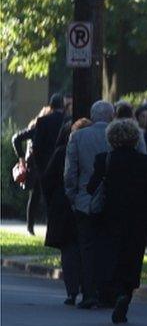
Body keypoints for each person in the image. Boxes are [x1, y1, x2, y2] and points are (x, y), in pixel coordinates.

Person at [87, 119, 147, 324]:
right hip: (137, 220)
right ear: (135, 138)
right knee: (132, 258)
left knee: (109, 257)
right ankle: (126, 291)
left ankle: (114, 292)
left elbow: (92, 187)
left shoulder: (104, 160)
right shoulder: (146, 163)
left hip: (109, 218)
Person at [64, 100, 115, 309]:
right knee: (109, 247)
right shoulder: (119, 135)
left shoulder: (78, 137)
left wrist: (72, 196)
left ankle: (89, 292)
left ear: (93, 117)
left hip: (85, 200)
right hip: (112, 201)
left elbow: (70, 172)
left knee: (87, 248)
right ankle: (106, 291)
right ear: (111, 116)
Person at [43, 119, 88, 304]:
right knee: (83, 247)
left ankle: (72, 290)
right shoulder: (88, 151)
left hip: (62, 205)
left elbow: (47, 179)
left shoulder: (61, 152)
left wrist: (51, 202)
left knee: (69, 249)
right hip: (83, 203)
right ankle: (86, 287)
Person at [11, 94, 67, 234]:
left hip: (41, 166)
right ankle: (53, 227)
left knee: (35, 196)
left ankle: (31, 227)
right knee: (56, 197)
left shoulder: (42, 122)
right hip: (61, 164)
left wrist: (23, 158)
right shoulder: (67, 121)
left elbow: (35, 144)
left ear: (51, 106)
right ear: (63, 106)